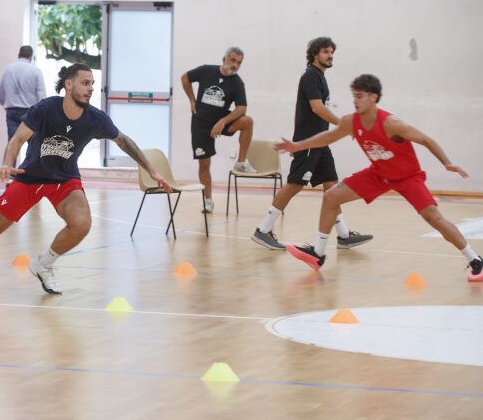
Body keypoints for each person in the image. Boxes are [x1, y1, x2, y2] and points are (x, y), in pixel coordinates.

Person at [0, 63, 172, 294]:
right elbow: (17, 139)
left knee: (82, 224)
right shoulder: (46, 108)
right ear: (69, 84)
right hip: (30, 178)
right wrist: (7, 163)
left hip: (64, 180)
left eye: (93, 84)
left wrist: (151, 170)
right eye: (85, 83)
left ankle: (44, 264)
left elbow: (123, 141)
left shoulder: (96, 119)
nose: (91, 89)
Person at [279, 74, 482, 282]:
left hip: (407, 177)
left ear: (373, 97)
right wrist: (297, 145)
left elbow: (426, 140)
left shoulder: (392, 124)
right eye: (353, 96)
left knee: (434, 218)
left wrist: (447, 163)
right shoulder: (350, 121)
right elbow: (328, 137)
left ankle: (476, 260)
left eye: (359, 96)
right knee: (331, 196)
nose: (355, 100)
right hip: (378, 173)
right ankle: (318, 254)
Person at [251, 37, 371, 250]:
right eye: (326, 52)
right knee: (295, 184)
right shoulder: (311, 76)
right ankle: (263, 230)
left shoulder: (320, 77)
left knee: (332, 187)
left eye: (332, 52)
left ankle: (343, 236)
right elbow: (317, 108)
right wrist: (343, 125)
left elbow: (303, 110)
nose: (330, 55)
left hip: (320, 142)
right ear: (315, 54)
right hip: (310, 142)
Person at [181, 47, 255, 214]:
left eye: (239, 63)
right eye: (233, 60)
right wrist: (192, 100)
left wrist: (222, 121)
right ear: (224, 59)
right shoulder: (206, 70)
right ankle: (208, 201)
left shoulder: (237, 83)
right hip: (201, 123)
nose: (235, 65)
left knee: (247, 121)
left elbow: (241, 109)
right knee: (204, 164)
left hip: (221, 120)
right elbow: (185, 77)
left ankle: (241, 162)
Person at [0, 45, 47, 140]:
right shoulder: (36, 71)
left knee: (13, 142)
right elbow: (42, 97)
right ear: (31, 57)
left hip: (12, 111)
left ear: (18, 55)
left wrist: (6, 104)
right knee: (33, 143)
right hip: (30, 113)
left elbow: (0, 95)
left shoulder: (8, 69)